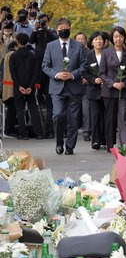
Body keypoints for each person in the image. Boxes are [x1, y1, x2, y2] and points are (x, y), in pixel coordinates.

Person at [42, 17, 87, 155]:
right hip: (57, 87)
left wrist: (73, 75)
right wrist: (56, 75)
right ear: (56, 30)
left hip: (74, 87)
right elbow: (45, 65)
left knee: (73, 119)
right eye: (60, 28)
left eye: (66, 27)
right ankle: (59, 141)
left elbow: (84, 65)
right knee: (58, 115)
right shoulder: (51, 46)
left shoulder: (78, 46)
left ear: (70, 28)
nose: (63, 30)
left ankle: (70, 146)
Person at [100, 26, 126, 150]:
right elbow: (102, 73)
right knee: (110, 118)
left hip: (124, 91)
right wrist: (113, 83)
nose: (118, 39)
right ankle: (110, 144)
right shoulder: (106, 52)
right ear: (112, 38)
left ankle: (124, 145)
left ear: (124, 37)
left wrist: (124, 83)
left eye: (120, 36)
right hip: (110, 90)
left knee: (124, 118)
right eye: (116, 36)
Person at [9, 33, 43, 139]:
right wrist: (30, 86)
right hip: (30, 86)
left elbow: (13, 73)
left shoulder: (13, 56)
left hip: (18, 86)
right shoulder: (33, 55)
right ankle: (39, 133)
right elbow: (35, 72)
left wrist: (19, 86)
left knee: (20, 110)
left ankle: (23, 134)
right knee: (33, 108)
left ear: (17, 42)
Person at [30, 13, 58, 138]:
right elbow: (30, 41)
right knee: (38, 101)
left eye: (45, 21)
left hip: (49, 66)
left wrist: (47, 29)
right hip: (38, 66)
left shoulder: (51, 32)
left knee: (50, 101)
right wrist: (35, 30)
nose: (43, 23)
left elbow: (55, 39)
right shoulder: (36, 32)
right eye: (41, 21)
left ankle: (49, 130)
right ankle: (39, 130)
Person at [83, 31, 106, 150]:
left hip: (107, 90)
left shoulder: (108, 54)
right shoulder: (88, 55)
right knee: (95, 116)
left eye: (100, 39)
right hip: (93, 90)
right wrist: (93, 79)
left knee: (106, 115)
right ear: (92, 42)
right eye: (96, 39)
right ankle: (96, 140)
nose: (98, 41)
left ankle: (105, 140)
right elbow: (84, 71)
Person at [75, 32, 90, 141]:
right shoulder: (71, 52)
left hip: (86, 86)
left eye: (82, 39)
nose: (80, 41)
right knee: (74, 110)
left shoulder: (90, 53)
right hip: (74, 84)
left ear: (86, 40)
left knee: (86, 110)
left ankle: (86, 131)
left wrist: (87, 78)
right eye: (78, 39)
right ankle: (72, 130)